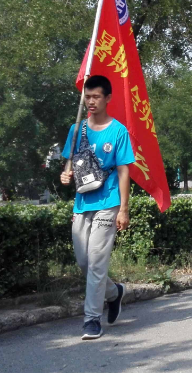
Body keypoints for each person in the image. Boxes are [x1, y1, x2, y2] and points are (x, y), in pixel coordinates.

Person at [60, 75, 135, 340]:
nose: (90, 101)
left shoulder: (118, 131)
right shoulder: (76, 129)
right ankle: (114, 293)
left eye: (96, 97)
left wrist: (124, 209)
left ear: (107, 98)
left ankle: (91, 319)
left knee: (96, 262)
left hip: (109, 201)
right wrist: (65, 175)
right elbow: (69, 164)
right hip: (82, 202)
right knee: (84, 261)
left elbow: (124, 170)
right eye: (87, 97)